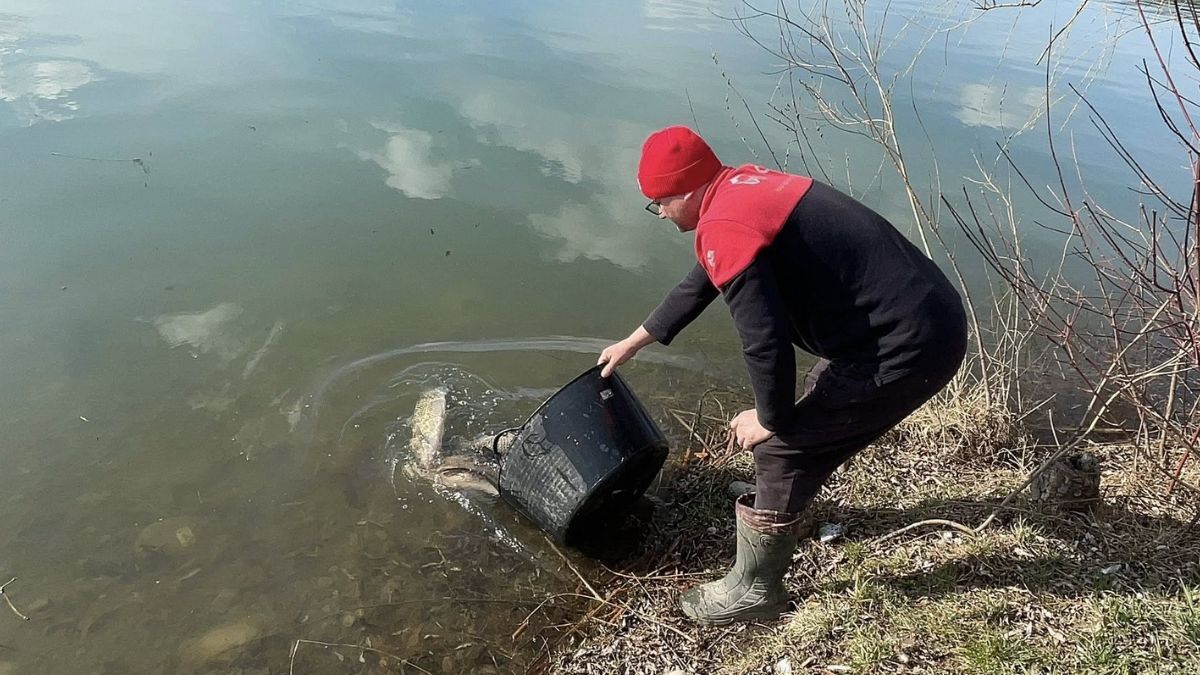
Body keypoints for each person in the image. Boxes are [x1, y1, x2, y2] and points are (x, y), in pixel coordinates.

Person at [597, 126, 967, 625]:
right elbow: (704, 278)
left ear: (685, 192)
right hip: (916, 318)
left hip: (910, 345)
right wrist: (635, 340)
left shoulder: (726, 223)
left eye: (660, 204)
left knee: (782, 446)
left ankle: (754, 593)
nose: (660, 214)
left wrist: (770, 418)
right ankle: (782, 510)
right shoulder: (741, 186)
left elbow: (764, 340)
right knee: (816, 407)